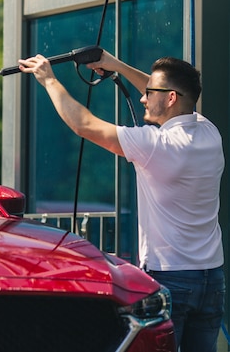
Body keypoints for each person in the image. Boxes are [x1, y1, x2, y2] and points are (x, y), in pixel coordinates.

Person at [19, 51, 225, 352]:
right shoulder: (208, 132)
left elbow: (84, 124)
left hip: (172, 278)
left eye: (149, 93)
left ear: (169, 98)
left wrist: (48, 78)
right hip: (212, 278)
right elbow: (168, 94)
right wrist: (115, 65)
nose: (143, 98)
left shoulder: (156, 145)